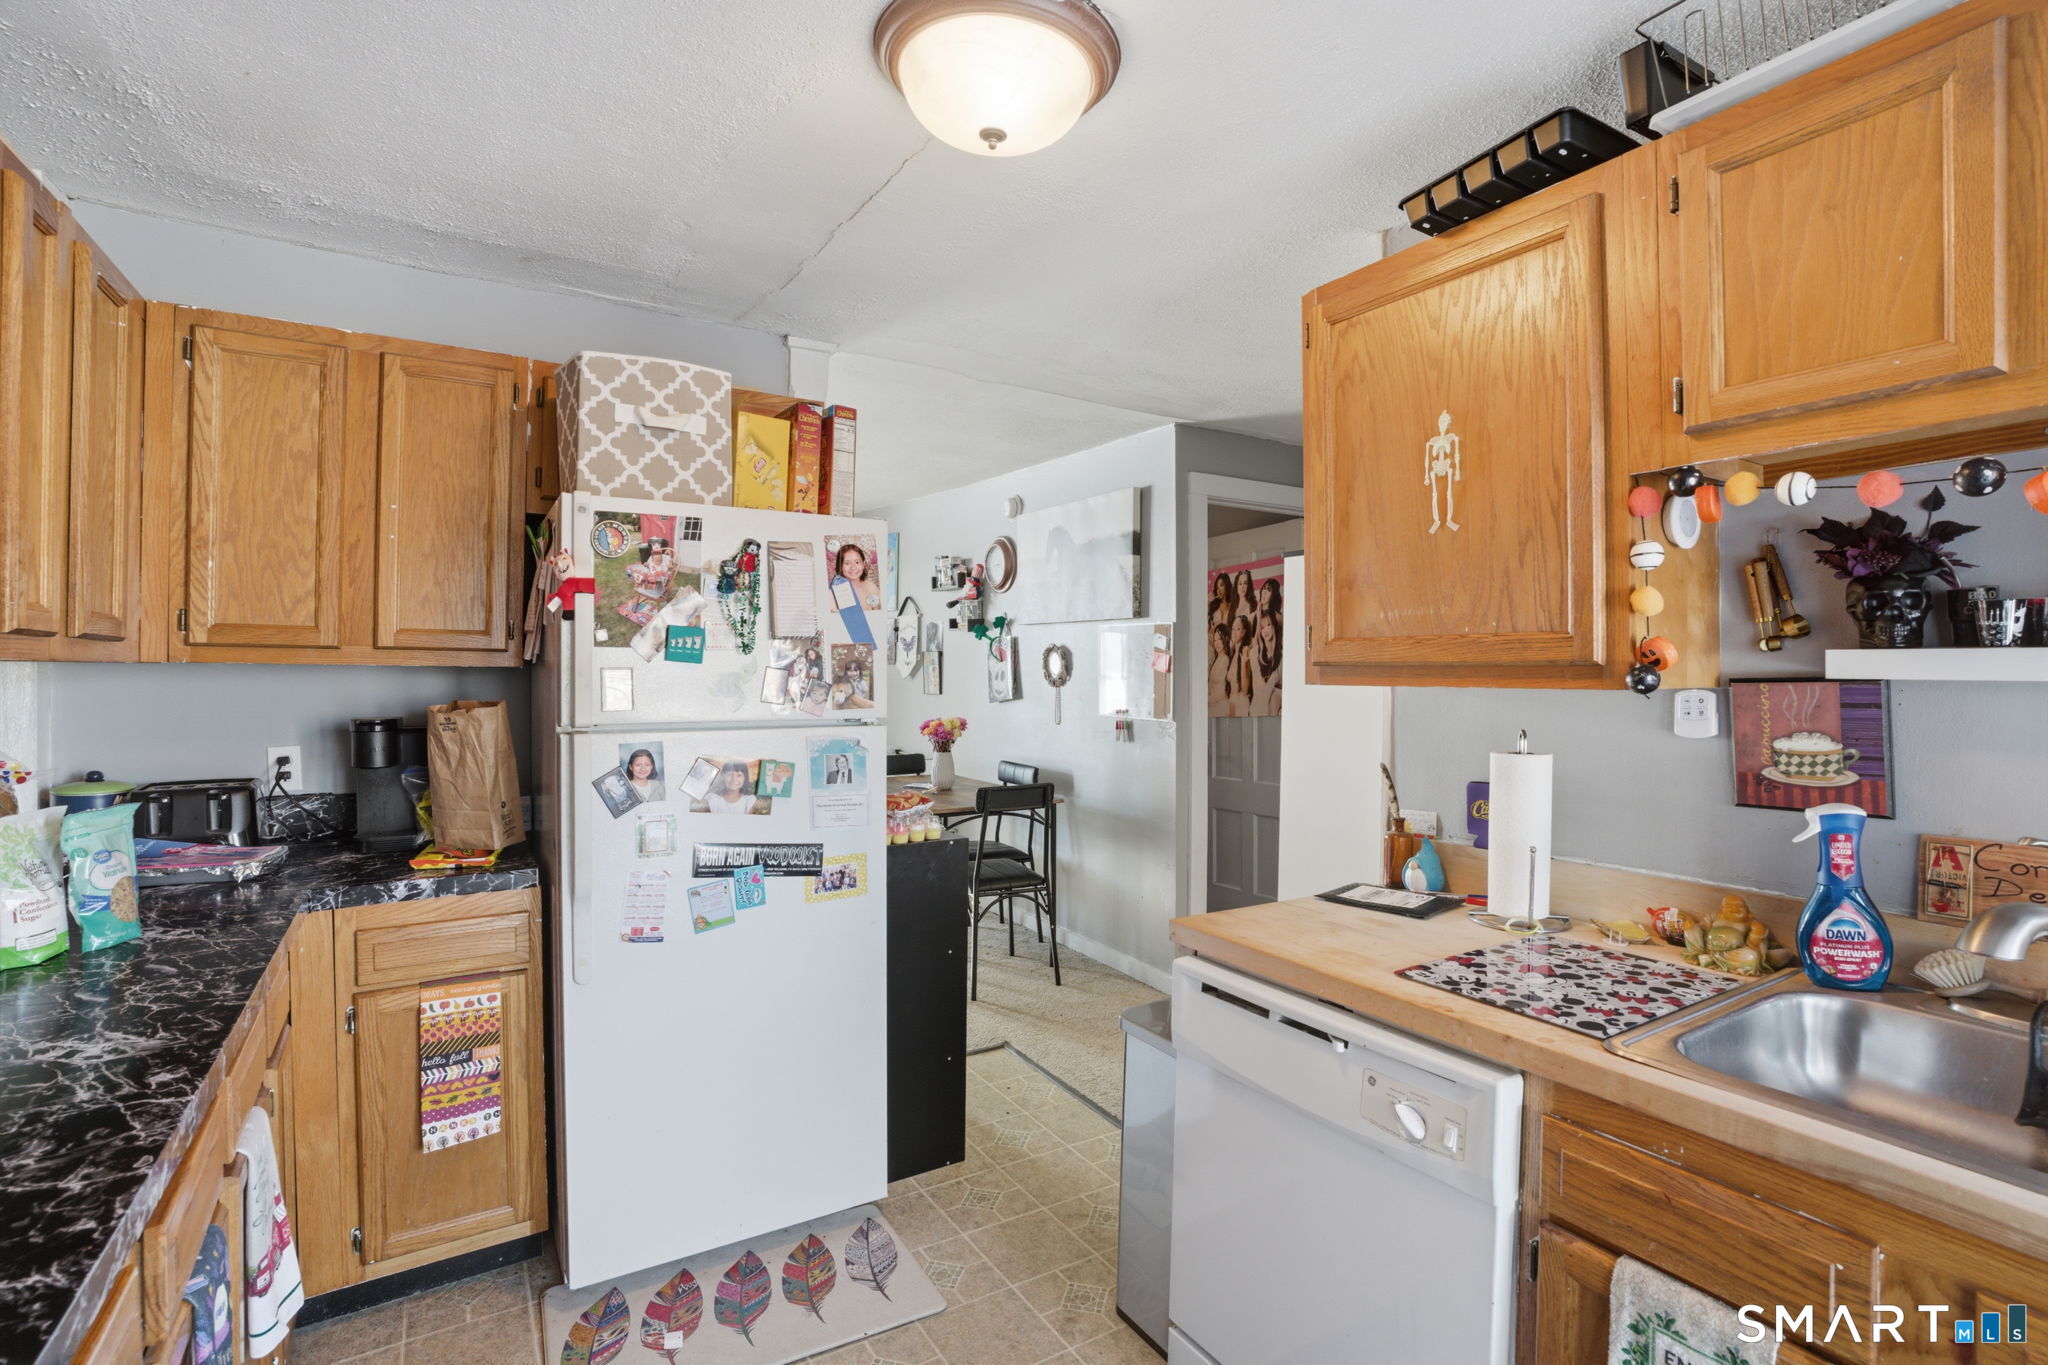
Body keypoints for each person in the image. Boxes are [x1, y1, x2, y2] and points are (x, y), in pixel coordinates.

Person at [832, 542, 879, 610]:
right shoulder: (834, 592)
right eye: (847, 563)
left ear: (863, 564)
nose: (853, 567)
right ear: (840, 566)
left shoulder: (871, 587)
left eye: (857, 562)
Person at [1252, 610, 1283, 712]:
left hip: (1277, 694)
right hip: (1263, 694)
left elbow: (1274, 680)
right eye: (1262, 627)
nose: (1265, 630)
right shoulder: (1257, 653)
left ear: (1274, 626)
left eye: (1268, 625)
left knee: (1274, 696)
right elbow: (1257, 684)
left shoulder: (1281, 653)